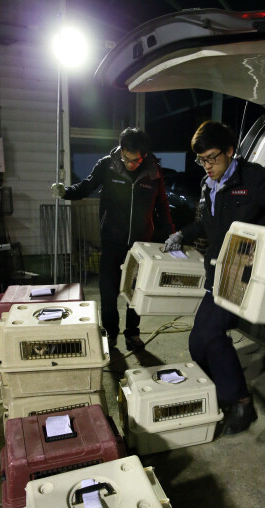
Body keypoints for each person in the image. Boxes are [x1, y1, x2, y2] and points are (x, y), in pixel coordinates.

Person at [164, 121, 265, 435]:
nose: (207, 167)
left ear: (230, 151)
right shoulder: (208, 184)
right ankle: (213, 393)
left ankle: (241, 403)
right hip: (216, 273)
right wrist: (182, 234)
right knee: (196, 343)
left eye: (212, 158)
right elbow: (206, 224)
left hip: (245, 276)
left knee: (213, 336)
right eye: (201, 160)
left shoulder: (254, 178)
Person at [51, 127, 174, 351]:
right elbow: (85, 187)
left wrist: (171, 234)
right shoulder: (107, 165)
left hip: (140, 246)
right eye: (126, 159)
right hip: (112, 241)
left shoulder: (154, 171)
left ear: (143, 155)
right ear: (121, 151)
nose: (130, 164)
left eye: (135, 160)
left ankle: (132, 333)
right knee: (108, 293)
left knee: (135, 293)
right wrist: (65, 192)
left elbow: (162, 206)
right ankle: (110, 333)